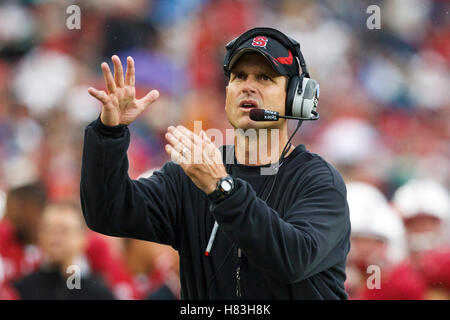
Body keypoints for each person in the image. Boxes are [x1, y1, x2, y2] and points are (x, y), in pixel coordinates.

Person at [81, 27, 351, 299]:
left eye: (265, 77)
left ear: (296, 98)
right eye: (239, 76)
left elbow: (292, 260)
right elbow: (107, 211)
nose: (248, 85)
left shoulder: (320, 182)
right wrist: (109, 133)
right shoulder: (193, 173)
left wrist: (222, 189)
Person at [12, 202, 115, 300]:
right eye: (48, 230)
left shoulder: (99, 294)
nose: (54, 238)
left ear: (83, 238)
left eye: (64, 231)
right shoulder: (21, 290)